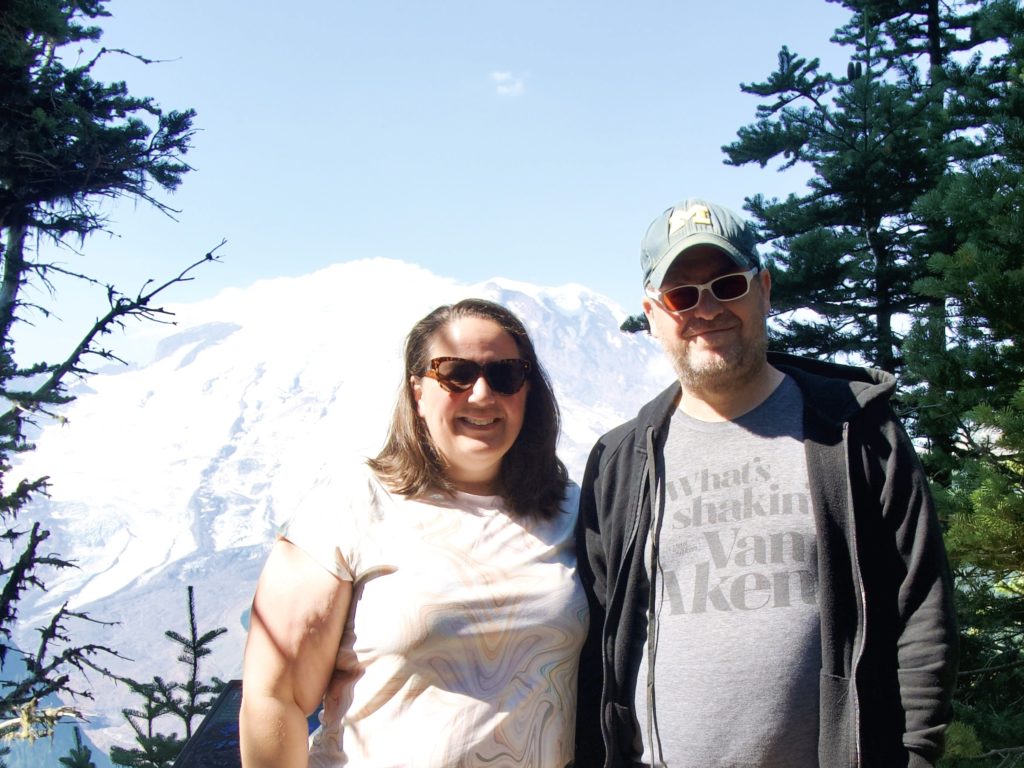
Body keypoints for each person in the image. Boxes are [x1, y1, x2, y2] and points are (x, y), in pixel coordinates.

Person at [574, 198, 958, 768]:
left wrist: (917, 756)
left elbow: (922, 606)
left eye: (727, 284)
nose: (706, 309)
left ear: (764, 289)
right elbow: (598, 640)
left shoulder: (854, 431)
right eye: (682, 295)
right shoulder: (621, 458)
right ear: (653, 314)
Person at [240, 298, 587, 768]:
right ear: (418, 392)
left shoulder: (572, 511)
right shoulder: (350, 503)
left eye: (505, 374)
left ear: (528, 390)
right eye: (456, 374)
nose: (482, 394)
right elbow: (274, 696)